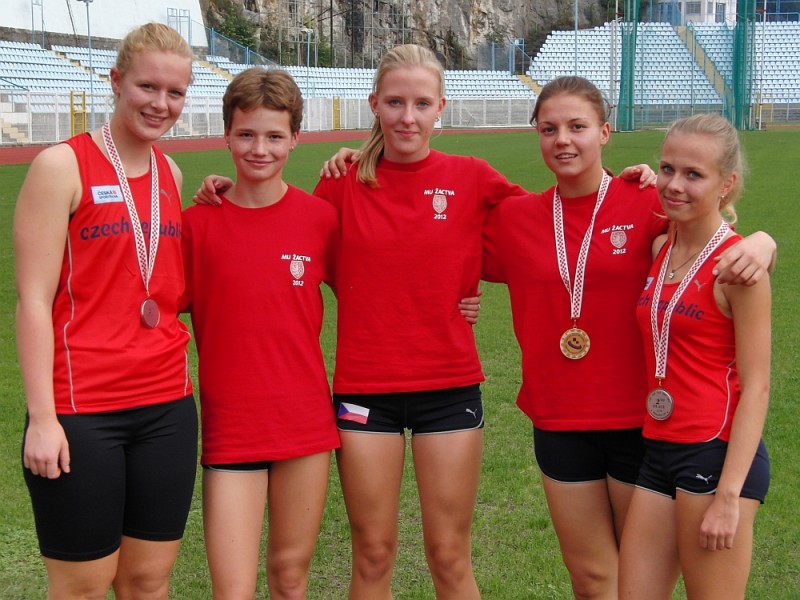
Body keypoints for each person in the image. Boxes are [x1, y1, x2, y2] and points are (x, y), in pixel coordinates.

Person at [480, 77, 775, 599]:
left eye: (577, 126)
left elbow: (711, 238)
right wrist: (367, 158)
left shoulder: (645, 203)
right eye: (548, 128)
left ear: (605, 131)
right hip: (561, 418)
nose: (563, 139)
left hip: (646, 424)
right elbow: (436, 243)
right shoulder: (516, 217)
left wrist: (763, 242)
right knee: (596, 580)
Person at [14, 23, 197, 599]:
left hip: (166, 407)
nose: (161, 103)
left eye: (175, 92)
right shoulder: (61, 166)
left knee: (148, 579)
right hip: (82, 409)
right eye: (148, 87)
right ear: (116, 81)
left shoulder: (171, 174)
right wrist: (43, 419)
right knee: (84, 586)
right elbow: (33, 301)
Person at [181, 67, 341, 599]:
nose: (259, 149)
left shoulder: (320, 219)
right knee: (233, 590)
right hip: (232, 427)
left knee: (290, 579)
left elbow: (375, 290)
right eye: (246, 134)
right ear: (226, 136)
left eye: (274, 136)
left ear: (296, 138)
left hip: (304, 423)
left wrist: (462, 296)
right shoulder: (195, 226)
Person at [618, 113, 771, 599]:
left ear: (726, 184)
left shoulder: (740, 269)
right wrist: (638, 177)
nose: (674, 185)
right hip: (659, 447)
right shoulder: (660, 247)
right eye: (667, 168)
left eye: (694, 174)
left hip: (715, 451)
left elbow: (758, 386)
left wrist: (729, 496)